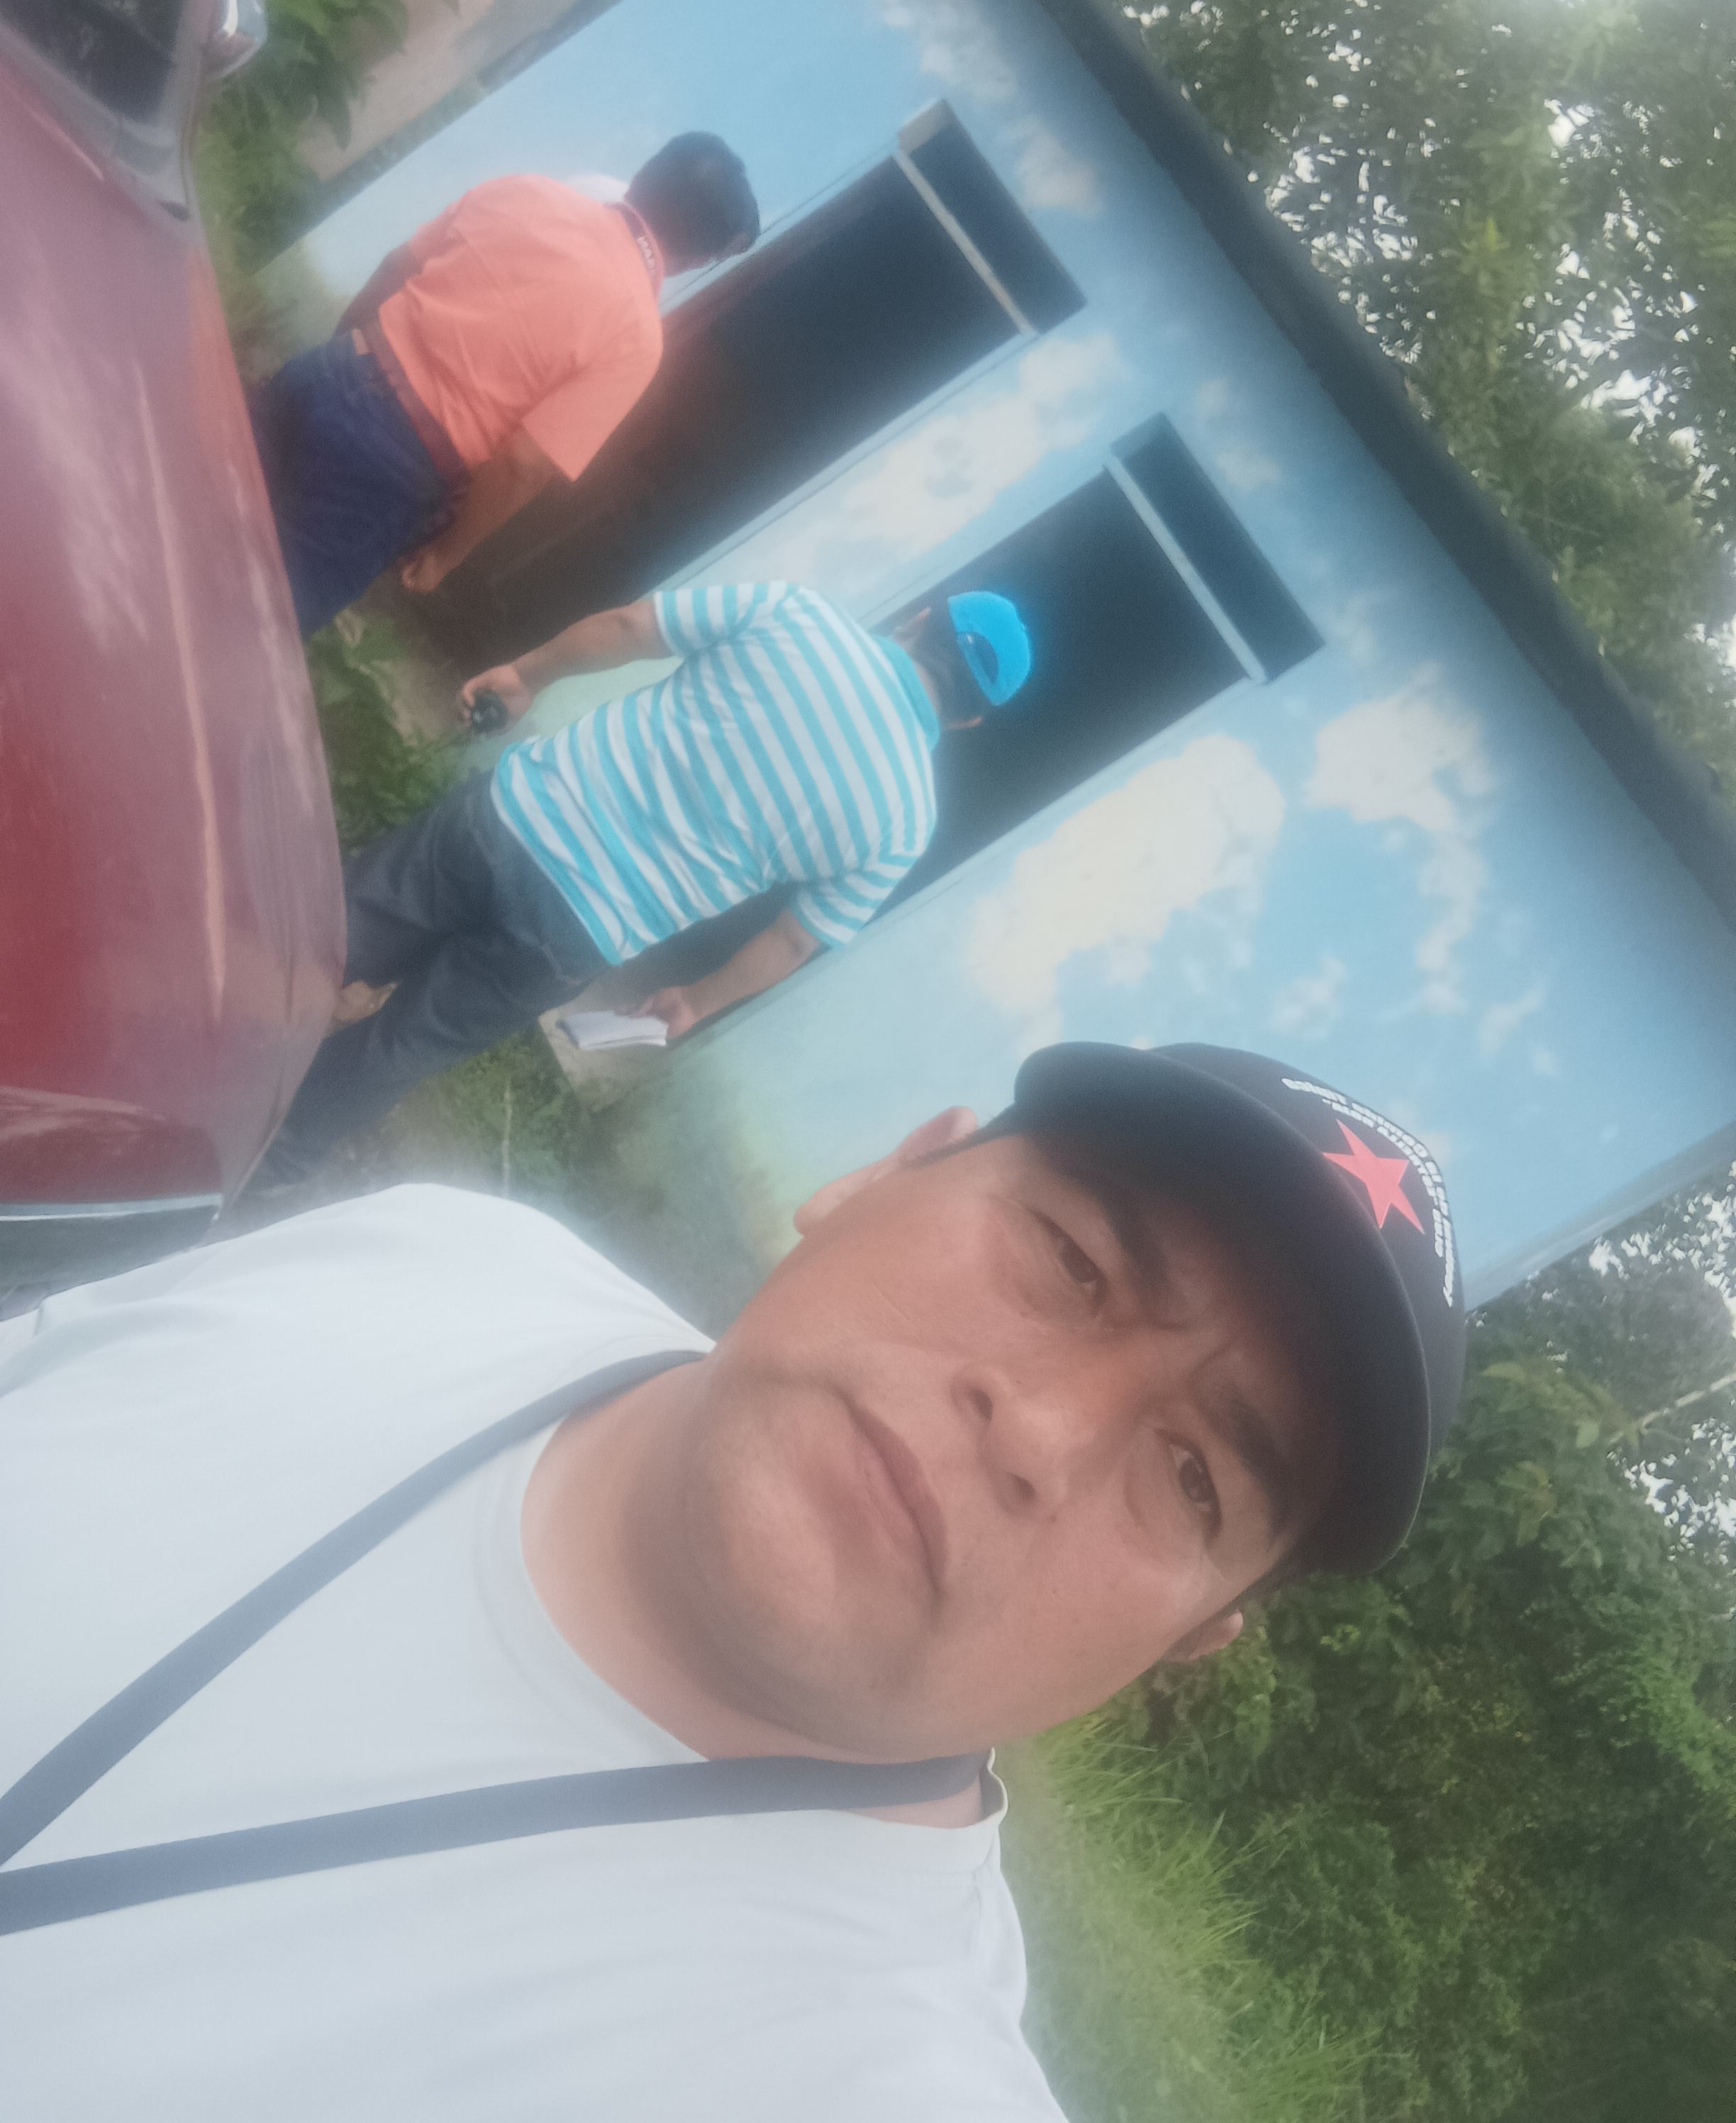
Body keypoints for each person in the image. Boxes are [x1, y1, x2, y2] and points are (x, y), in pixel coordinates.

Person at [0, 1041, 1465, 2121]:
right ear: (883, 1171)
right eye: (1071, 1260)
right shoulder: (442, 1256)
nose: (1041, 1431)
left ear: (1190, 1634)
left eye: (1194, 1477)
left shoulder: (863, 2072)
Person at [253, 580, 1034, 1182]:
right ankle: (262, 1159)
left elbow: (631, 628)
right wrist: (697, 1001)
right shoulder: (904, 821)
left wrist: (527, 675)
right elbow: (795, 941)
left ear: (921, 618)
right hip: (579, 932)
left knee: (343, 931)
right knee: (407, 1045)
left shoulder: (798, 615)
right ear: (970, 719)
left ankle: (214, 1022)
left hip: (516, 816)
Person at [250, 135, 760, 636]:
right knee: (253, 625)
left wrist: (339, 360)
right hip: (389, 469)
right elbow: (523, 462)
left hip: (329, 369)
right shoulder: (637, 338)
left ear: (645, 175)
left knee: (205, 502)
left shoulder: (527, 191)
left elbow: (396, 267)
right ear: (697, 259)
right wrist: (446, 556)